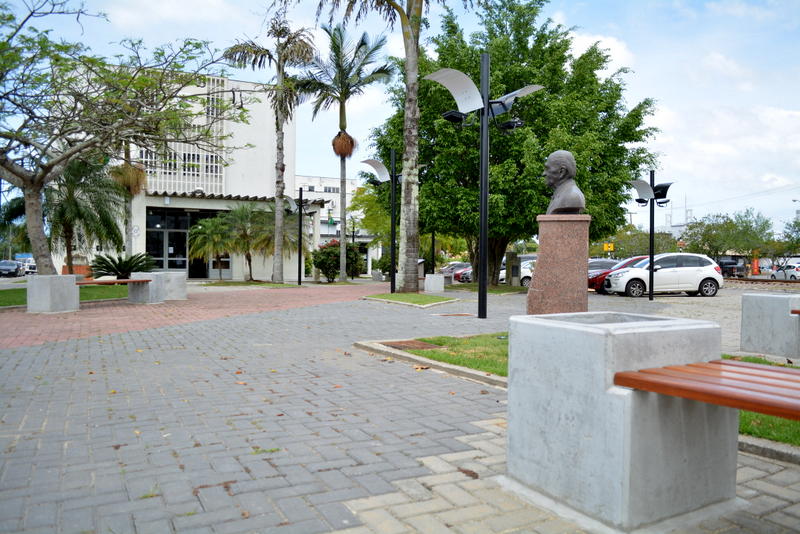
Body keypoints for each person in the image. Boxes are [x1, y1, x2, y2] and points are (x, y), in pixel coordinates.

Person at [543, 150, 585, 214]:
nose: (544, 174)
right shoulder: (560, 194)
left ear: (562, 172)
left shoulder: (572, 196)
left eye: (548, 168)